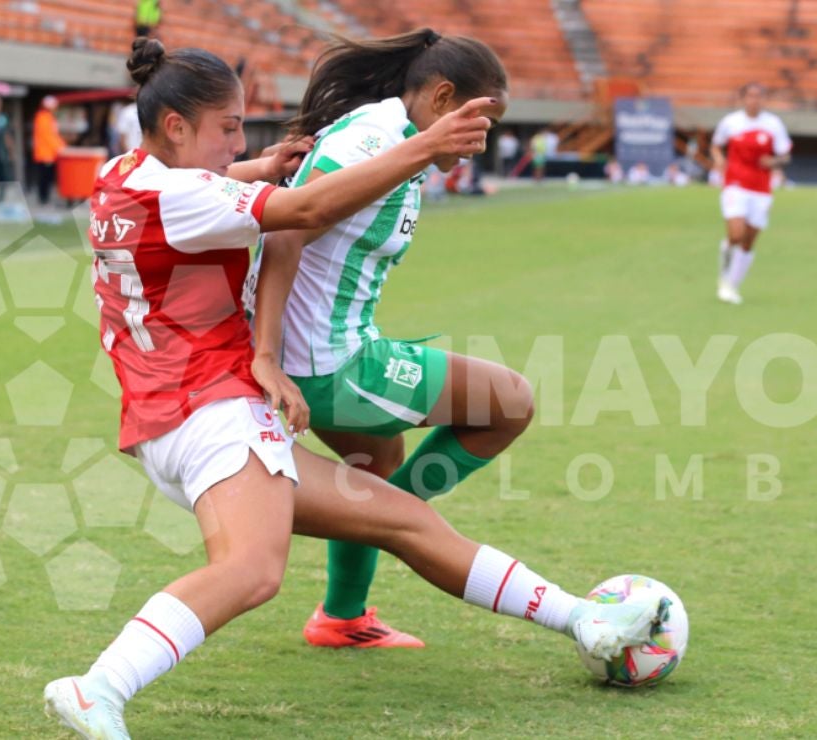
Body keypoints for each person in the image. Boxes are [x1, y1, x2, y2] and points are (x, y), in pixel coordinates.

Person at [42, 38, 662, 739]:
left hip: (171, 418)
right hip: (214, 411)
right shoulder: (188, 193)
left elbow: (194, 196)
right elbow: (301, 217)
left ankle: (584, 618)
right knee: (251, 570)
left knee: (402, 517)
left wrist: (254, 167)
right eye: (230, 128)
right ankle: (99, 687)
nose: (242, 141)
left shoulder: (121, 175)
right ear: (178, 126)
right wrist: (426, 146)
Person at [249, 29, 537, 649]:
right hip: (328, 366)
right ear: (441, 97)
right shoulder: (373, 139)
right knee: (511, 401)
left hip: (327, 353)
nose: (484, 139)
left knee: (373, 464)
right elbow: (286, 227)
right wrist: (266, 357)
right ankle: (391, 523)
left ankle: (342, 618)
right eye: (484, 118)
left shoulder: (398, 138)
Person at [710, 82, 792, 305]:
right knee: (736, 234)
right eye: (750, 96)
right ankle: (724, 275)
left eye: (759, 96)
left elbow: (785, 155)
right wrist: (719, 160)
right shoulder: (731, 122)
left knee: (748, 241)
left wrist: (773, 161)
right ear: (743, 98)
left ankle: (732, 285)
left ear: (764, 99)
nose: (754, 100)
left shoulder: (773, 124)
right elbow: (716, 145)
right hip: (735, 184)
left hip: (761, 189)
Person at [32, 95, 66, 206]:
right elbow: (48, 136)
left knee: (48, 178)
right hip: (45, 154)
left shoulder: (49, 117)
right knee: (44, 178)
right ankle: (43, 199)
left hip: (50, 153)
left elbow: (54, 135)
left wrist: (62, 145)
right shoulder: (42, 117)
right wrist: (60, 147)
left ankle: (45, 198)